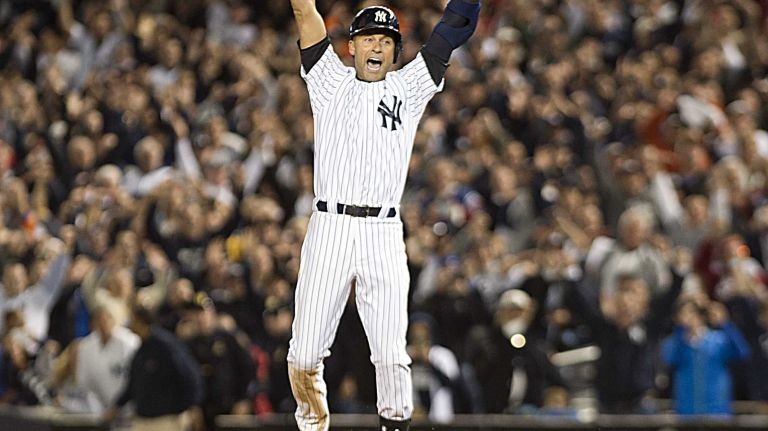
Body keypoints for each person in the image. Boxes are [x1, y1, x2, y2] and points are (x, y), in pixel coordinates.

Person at [285, 1, 481, 430]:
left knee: (392, 355)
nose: (377, 45)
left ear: (395, 52)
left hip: (383, 231)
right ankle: (312, 426)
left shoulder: (408, 86)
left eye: (386, 40)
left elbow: (452, 27)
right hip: (330, 227)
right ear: (351, 46)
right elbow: (305, 15)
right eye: (368, 37)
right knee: (303, 355)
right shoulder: (327, 80)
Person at [105, 306, 202, 431]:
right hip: (144, 418)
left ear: (141, 321)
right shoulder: (141, 350)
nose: (130, 324)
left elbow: (190, 375)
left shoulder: (166, 346)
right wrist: (117, 406)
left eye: (133, 320)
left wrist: (193, 405)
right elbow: (134, 384)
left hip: (167, 420)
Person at [661, 300, 751, 415]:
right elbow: (670, 358)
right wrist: (681, 331)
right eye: (683, 314)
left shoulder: (718, 340)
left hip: (717, 410)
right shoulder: (675, 342)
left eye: (692, 313)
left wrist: (725, 324)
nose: (689, 318)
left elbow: (742, 353)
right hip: (686, 411)